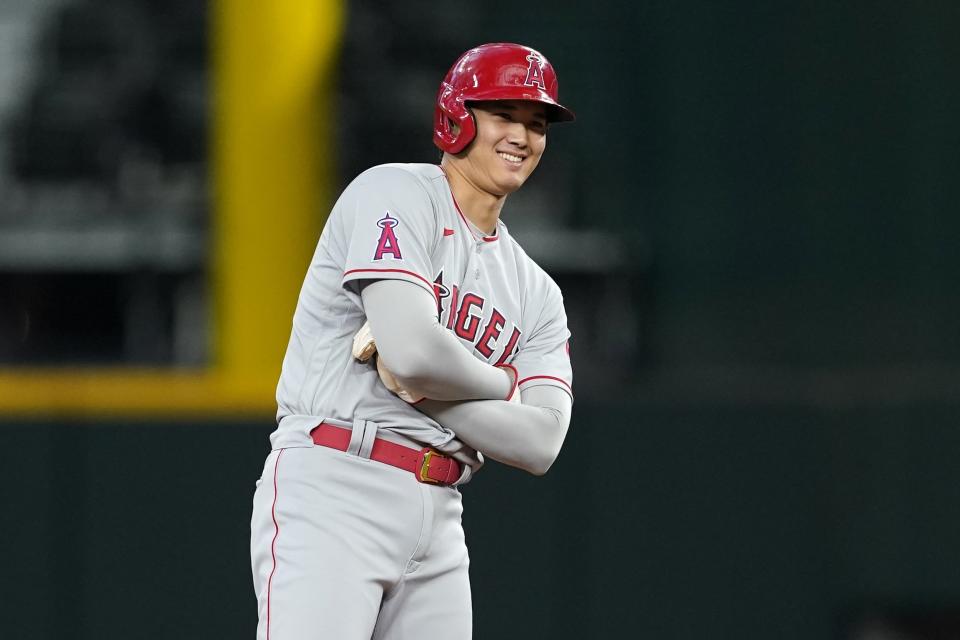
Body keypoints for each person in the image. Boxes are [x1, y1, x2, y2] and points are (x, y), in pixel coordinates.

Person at [250, 42, 576, 639]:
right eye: (504, 115)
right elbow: (413, 353)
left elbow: (541, 440)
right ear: (458, 116)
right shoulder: (394, 194)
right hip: (337, 479)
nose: (523, 137)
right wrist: (504, 383)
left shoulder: (537, 292)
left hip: (442, 510)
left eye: (537, 123)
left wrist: (427, 394)